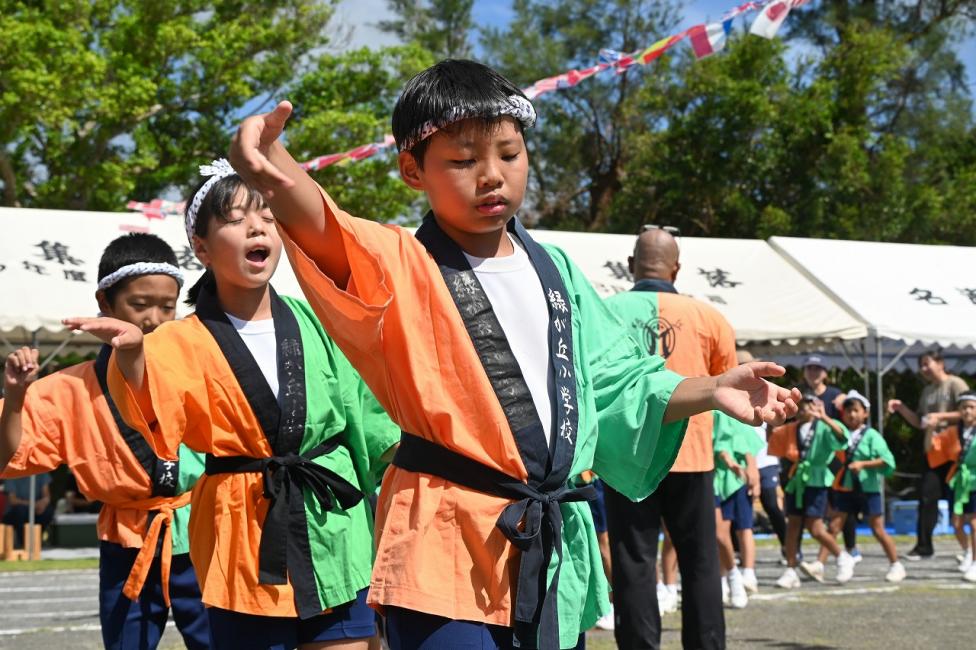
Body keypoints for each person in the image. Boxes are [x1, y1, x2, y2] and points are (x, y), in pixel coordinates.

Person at [225, 58, 800, 650]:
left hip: (548, 546)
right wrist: (272, 165)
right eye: (463, 160)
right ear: (412, 170)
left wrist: (712, 389)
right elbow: (326, 227)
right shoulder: (401, 263)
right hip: (444, 541)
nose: (492, 176)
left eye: (509, 153)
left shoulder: (557, 270)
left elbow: (616, 380)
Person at [69, 165, 402, 650]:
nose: (256, 228)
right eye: (234, 219)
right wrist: (133, 357)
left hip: (332, 524)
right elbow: (153, 412)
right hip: (242, 532)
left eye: (267, 216)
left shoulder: (319, 318)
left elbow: (369, 415)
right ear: (201, 248)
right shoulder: (178, 340)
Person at [0, 233, 211, 650]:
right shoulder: (68, 389)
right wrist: (15, 399)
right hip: (127, 539)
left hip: (204, 529)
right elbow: (8, 457)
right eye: (140, 304)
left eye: (167, 306)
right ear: (105, 303)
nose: (153, 319)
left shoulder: (201, 367)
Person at [599, 225, 738, 649]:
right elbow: (729, 388)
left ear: (631, 265)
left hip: (627, 455)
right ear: (676, 269)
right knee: (700, 562)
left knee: (633, 561)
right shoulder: (709, 318)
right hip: (691, 452)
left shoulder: (605, 312)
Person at [887, 349, 969, 560]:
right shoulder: (927, 391)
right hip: (933, 450)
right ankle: (924, 546)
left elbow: (969, 411)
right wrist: (901, 408)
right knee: (926, 496)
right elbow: (920, 421)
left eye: (927, 363)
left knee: (961, 501)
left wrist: (939, 416)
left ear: (940, 363)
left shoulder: (955, 384)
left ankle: (969, 551)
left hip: (956, 451)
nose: (924, 369)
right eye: (921, 365)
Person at [817, 391, 905, 582]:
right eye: (848, 411)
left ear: (865, 413)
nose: (852, 414)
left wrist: (863, 464)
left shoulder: (872, 435)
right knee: (834, 527)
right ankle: (819, 565)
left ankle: (896, 564)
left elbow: (887, 460)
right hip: (845, 487)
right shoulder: (840, 433)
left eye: (856, 410)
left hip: (867, 488)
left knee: (877, 529)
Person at [768, 394, 854, 588]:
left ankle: (842, 557)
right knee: (792, 525)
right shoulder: (791, 428)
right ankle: (790, 569)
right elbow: (772, 440)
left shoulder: (823, 426)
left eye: (809, 405)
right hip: (797, 479)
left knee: (815, 527)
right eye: (801, 406)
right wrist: (773, 419)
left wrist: (825, 417)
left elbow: (843, 438)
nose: (804, 409)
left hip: (816, 478)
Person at [712, 411, 762, 608]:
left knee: (744, 527)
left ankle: (747, 574)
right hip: (715, 478)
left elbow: (749, 448)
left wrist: (753, 475)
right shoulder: (708, 408)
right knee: (720, 534)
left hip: (737, 480)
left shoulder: (735, 412)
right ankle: (724, 577)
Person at [944, 392, 976, 581]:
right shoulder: (953, 431)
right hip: (959, 480)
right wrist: (930, 429)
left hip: (975, 479)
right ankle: (968, 551)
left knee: (974, 523)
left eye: (972, 407)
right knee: (956, 523)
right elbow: (935, 448)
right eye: (964, 407)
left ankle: (975, 562)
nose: (967, 411)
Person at [1, 474, 54, 546]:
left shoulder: (41, 473)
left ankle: (36, 540)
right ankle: (23, 543)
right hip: (15, 513)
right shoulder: (12, 473)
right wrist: (33, 505)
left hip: (36, 511)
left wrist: (42, 504)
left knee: (48, 511)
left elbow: (47, 496)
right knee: (20, 511)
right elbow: (12, 500)